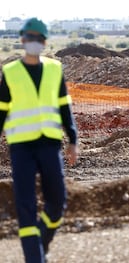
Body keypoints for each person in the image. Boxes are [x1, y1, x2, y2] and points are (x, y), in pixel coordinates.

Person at [0, 17, 78, 263]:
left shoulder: (55, 69)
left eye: (38, 38)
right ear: (23, 40)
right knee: (26, 206)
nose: (34, 42)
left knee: (57, 202)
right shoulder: (10, 72)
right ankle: (35, 259)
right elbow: (2, 109)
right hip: (21, 147)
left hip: (50, 145)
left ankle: (40, 245)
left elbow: (64, 107)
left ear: (44, 42)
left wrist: (73, 139)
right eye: (30, 37)